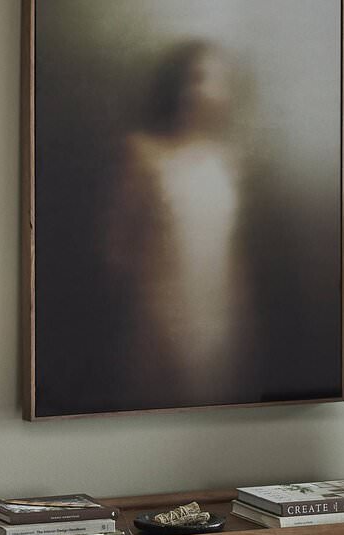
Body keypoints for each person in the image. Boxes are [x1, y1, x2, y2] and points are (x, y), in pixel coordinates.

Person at [106, 40, 253, 407]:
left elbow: (232, 254)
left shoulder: (226, 161)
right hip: (162, 321)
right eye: (200, 78)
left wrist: (244, 320)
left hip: (221, 324)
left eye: (219, 80)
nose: (209, 90)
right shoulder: (142, 153)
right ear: (179, 84)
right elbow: (117, 250)